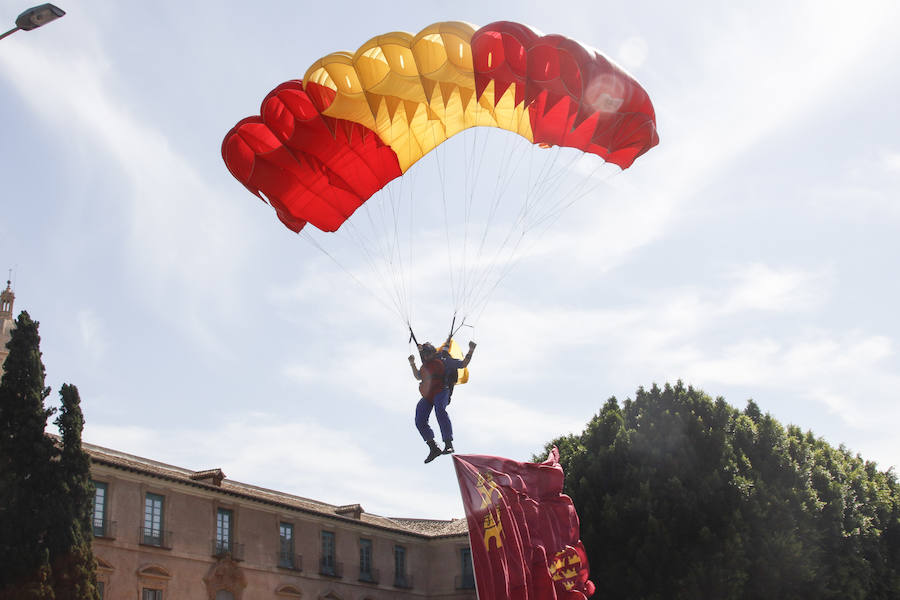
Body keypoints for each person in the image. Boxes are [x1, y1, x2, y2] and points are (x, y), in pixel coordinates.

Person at [408, 339, 476, 463]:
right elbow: (418, 376)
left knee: (440, 410)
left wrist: (471, 350)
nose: (426, 356)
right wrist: (412, 363)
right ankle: (433, 447)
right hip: (428, 396)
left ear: (433, 353)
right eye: (424, 355)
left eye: (428, 354)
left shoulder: (444, 360)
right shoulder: (425, 366)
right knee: (419, 419)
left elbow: (463, 364)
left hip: (441, 391)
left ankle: (448, 443)